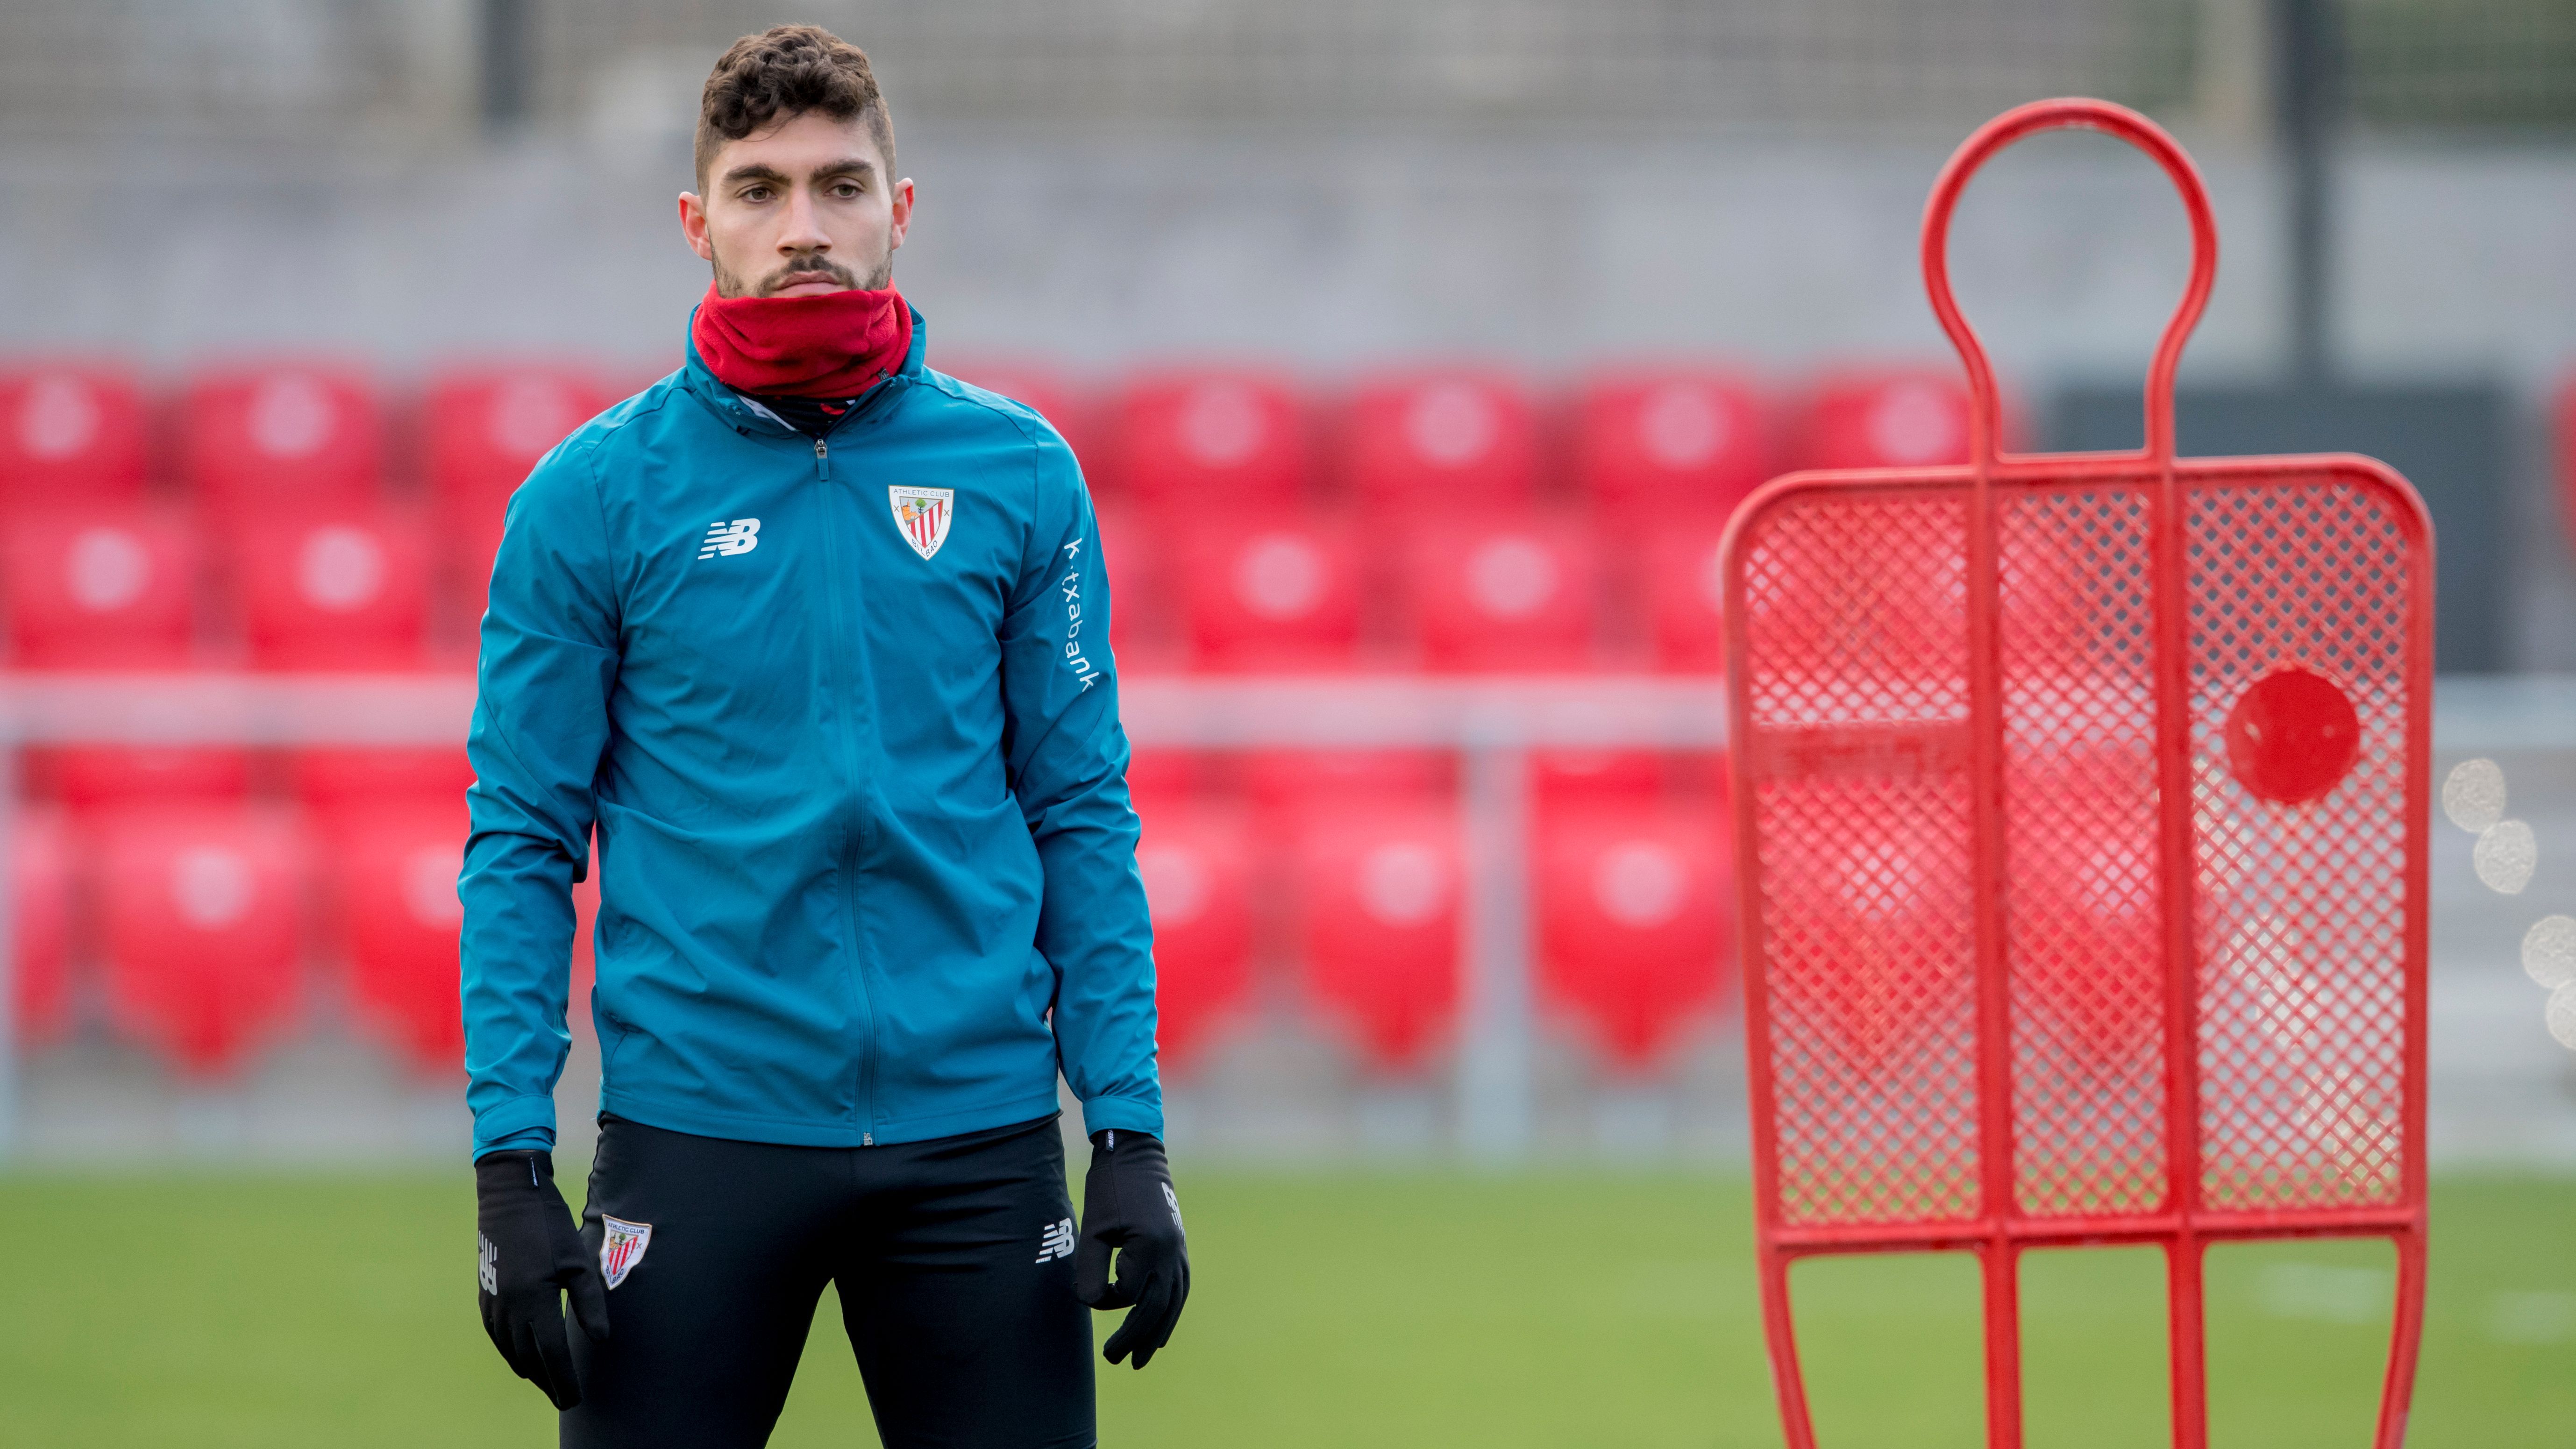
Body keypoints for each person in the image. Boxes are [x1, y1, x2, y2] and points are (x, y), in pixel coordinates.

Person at [459, 25, 1185, 1448]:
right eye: (760, 189)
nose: (804, 226)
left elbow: (1080, 810)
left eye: (840, 186)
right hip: (698, 1131)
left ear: (898, 209)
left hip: (977, 1140)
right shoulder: (589, 498)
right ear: (698, 222)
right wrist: (510, 1166)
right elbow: (522, 840)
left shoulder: (1020, 473)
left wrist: (1129, 1131)